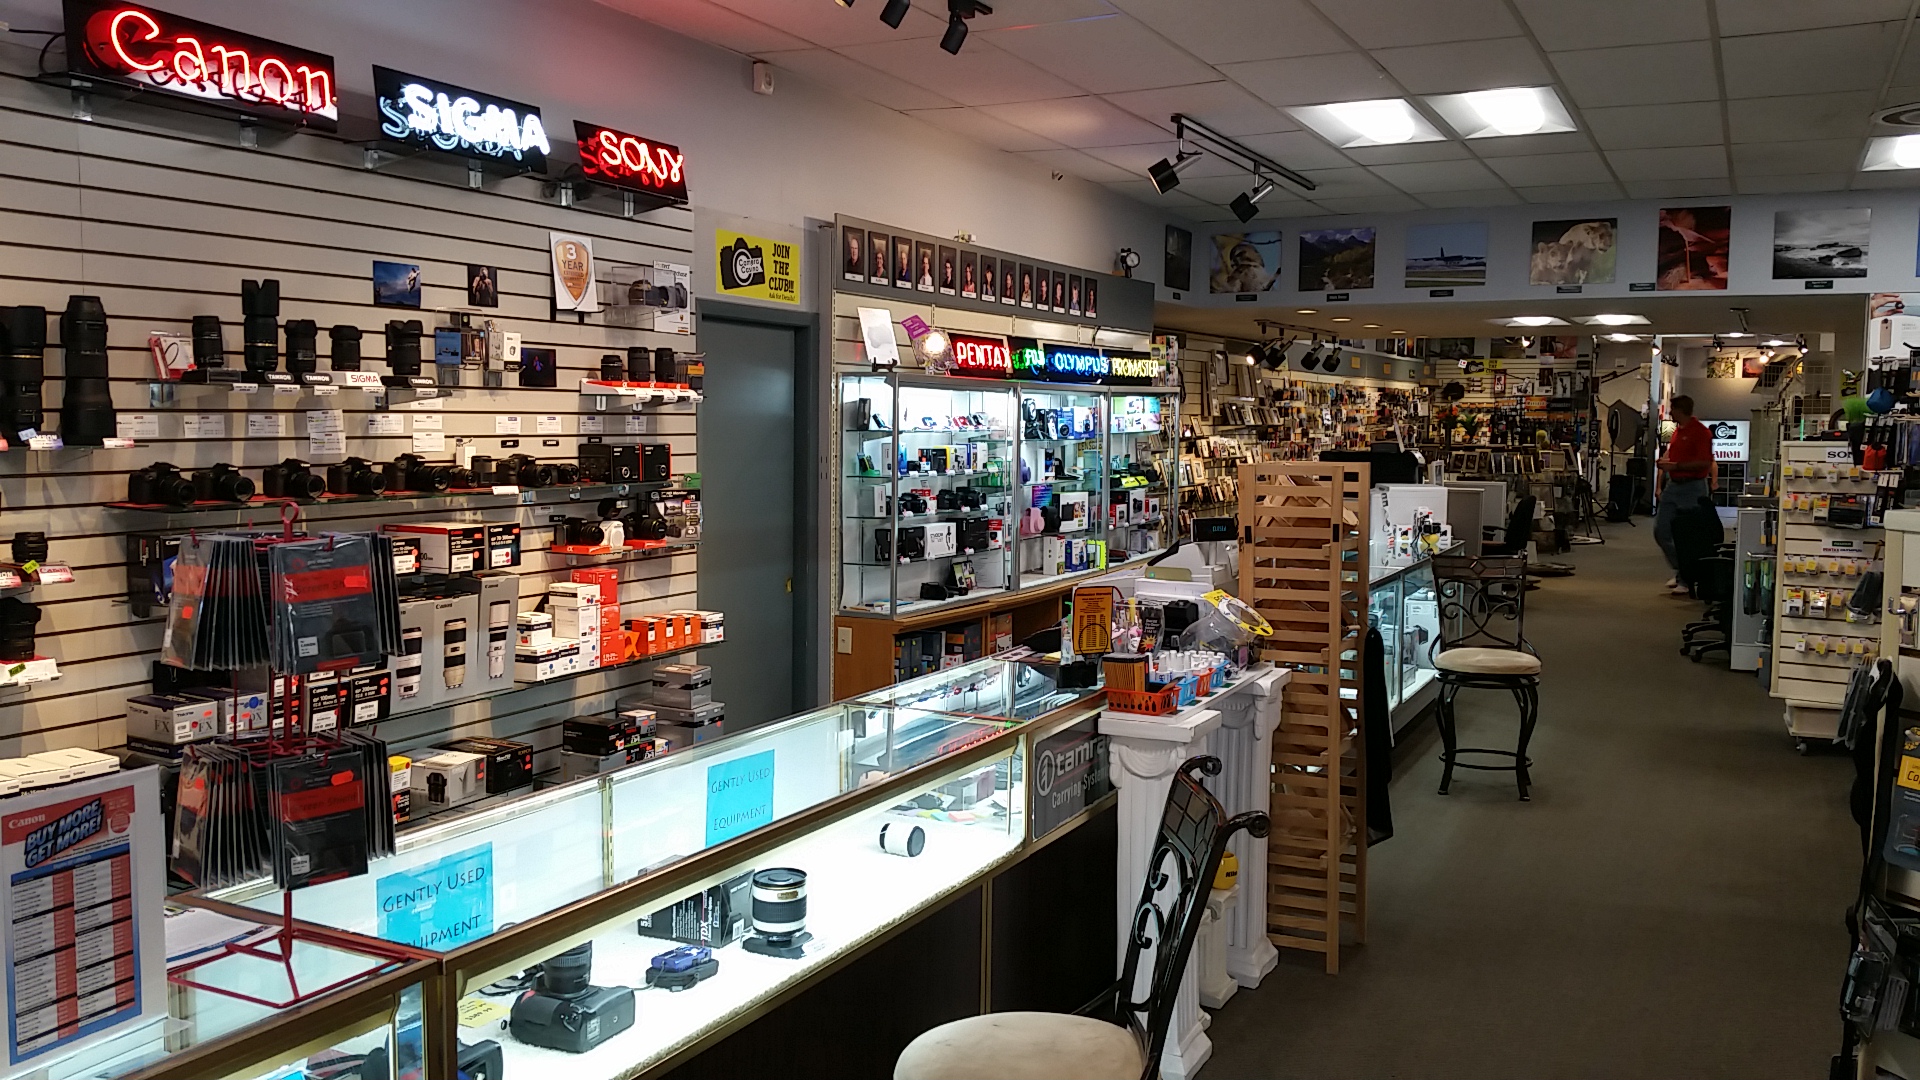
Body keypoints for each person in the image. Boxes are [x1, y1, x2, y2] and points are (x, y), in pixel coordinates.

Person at [1654, 395, 1716, 596]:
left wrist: (1675, 466)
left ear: (1680, 410)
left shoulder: (1701, 433)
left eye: (1672, 409)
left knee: (1689, 536)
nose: (1670, 412)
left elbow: (1705, 462)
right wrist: (1666, 466)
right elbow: (1674, 457)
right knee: (1661, 530)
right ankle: (1682, 570)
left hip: (1693, 488)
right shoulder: (1677, 432)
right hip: (1673, 486)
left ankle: (1687, 578)